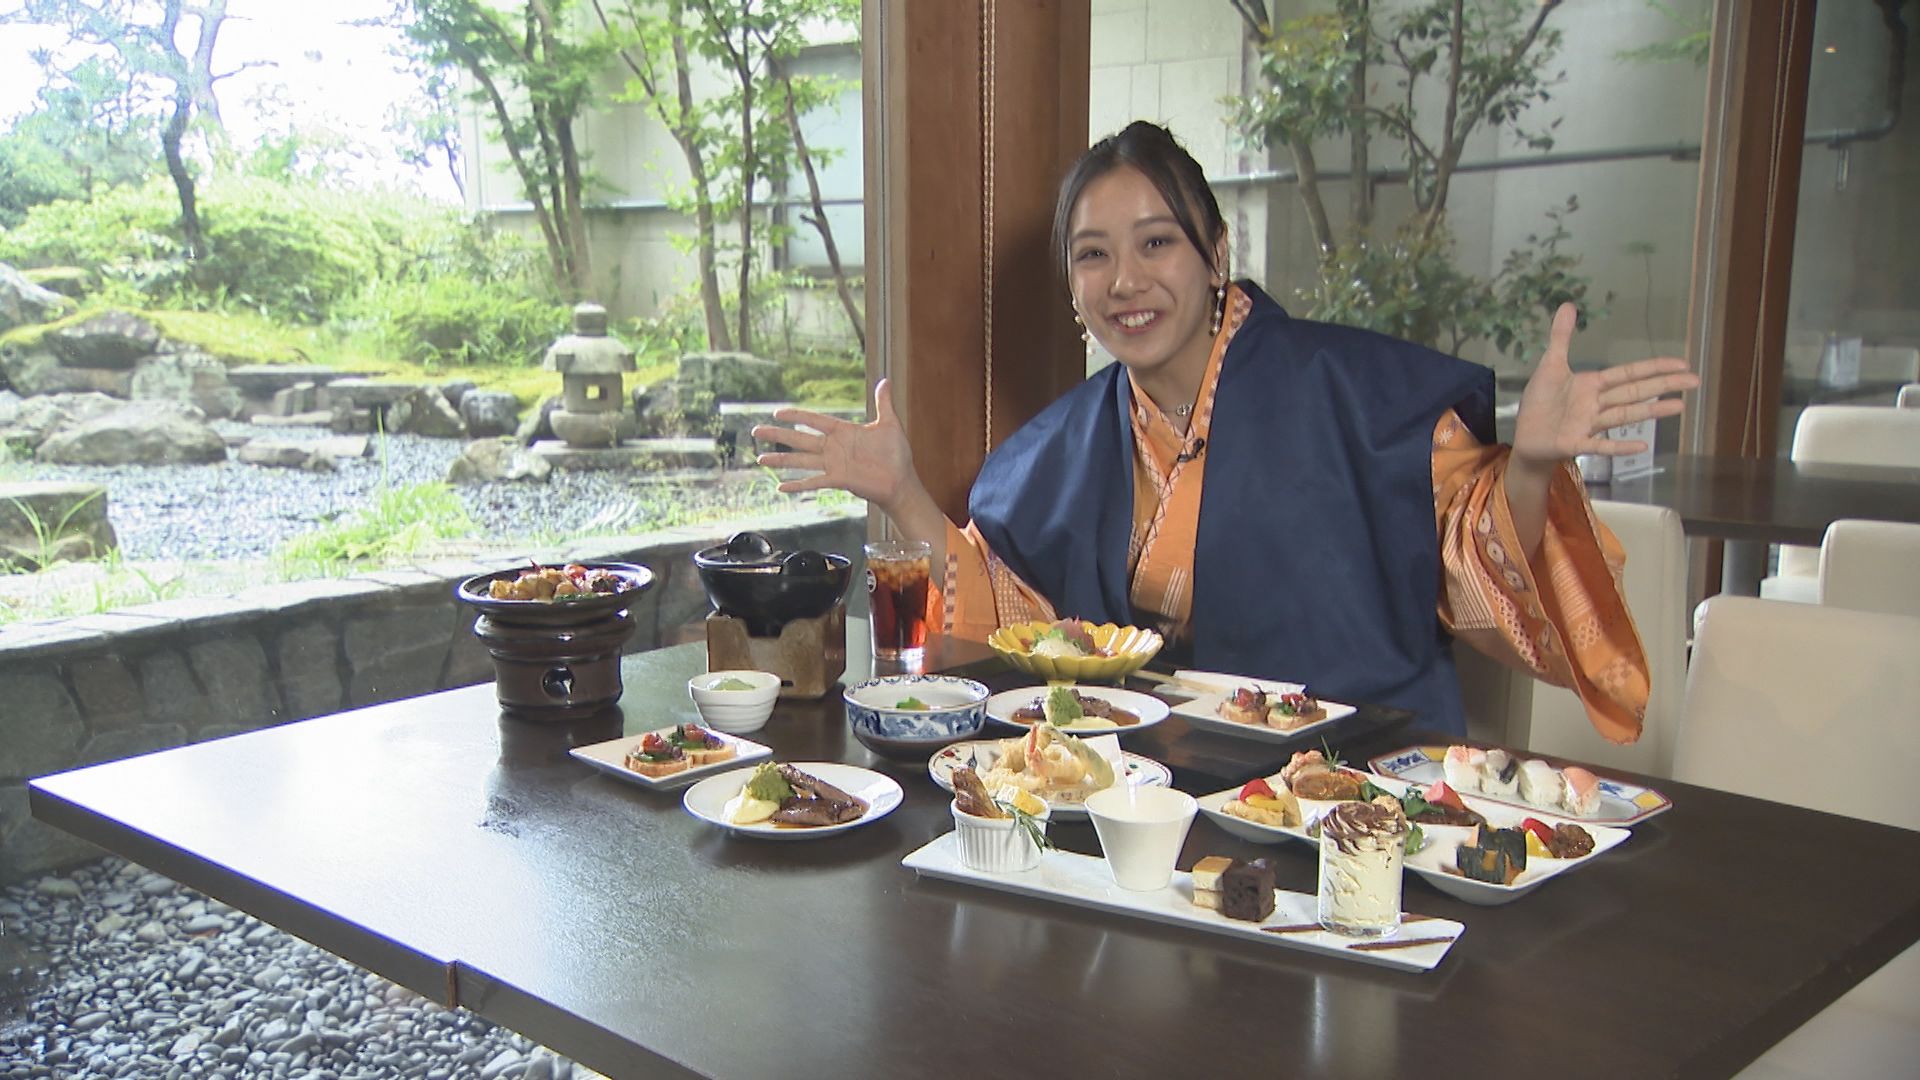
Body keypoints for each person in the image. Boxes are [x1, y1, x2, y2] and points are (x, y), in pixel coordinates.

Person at [755, 121, 1697, 739]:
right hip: (1141, 791)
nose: (1126, 281)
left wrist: (1529, 466)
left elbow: (1471, 560)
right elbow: (1020, 626)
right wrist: (904, 494)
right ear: (1073, 290)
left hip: (1342, 789)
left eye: (1156, 242)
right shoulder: (1060, 447)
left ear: (1216, 254)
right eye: (1093, 255)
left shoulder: (1354, 392)